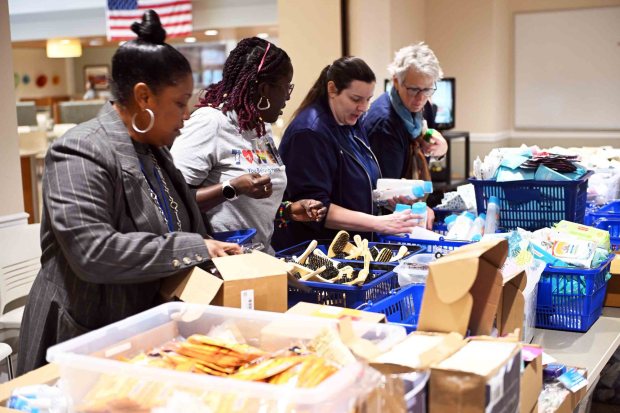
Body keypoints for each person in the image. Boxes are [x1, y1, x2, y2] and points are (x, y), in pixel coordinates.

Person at [17, 11, 242, 375]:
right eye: (180, 103)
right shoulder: (80, 151)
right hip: (82, 332)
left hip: (139, 331)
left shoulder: (154, 151)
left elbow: (178, 225)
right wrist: (194, 247)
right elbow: (94, 252)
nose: (185, 118)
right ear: (143, 97)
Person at [171, 38, 326, 254]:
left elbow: (249, 206)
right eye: (285, 88)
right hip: (221, 262)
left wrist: (287, 211)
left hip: (259, 258)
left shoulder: (261, 128)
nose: (287, 98)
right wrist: (233, 187)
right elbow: (173, 200)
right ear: (264, 89)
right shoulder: (211, 123)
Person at [272, 57, 418, 249]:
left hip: (352, 246)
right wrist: (379, 223)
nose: (363, 107)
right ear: (332, 89)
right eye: (356, 99)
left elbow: (353, 185)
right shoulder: (310, 133)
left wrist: (382, 199)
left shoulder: (351, 123)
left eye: (368, 100)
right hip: (318, 250)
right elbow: (316, 209)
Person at [363, 43, 448, 205]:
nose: (421, 98)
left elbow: (428, 145)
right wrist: (420, 209)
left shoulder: (425, 107)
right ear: (396, 82)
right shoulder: (384, 124)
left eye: (428, 90)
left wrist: (441, 149)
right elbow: (388, 194)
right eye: (414, 90)